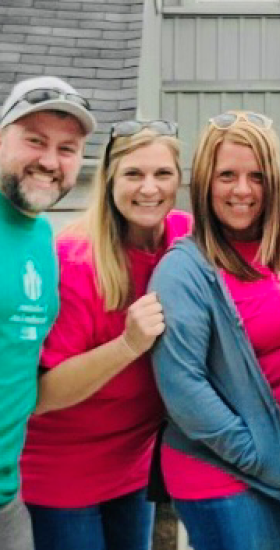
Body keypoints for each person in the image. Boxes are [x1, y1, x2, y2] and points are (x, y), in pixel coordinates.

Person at [149, 110, 280, 550]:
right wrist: (266, 459)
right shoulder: (184, 272)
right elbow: (184, 392)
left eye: (257, 176)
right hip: (227, 472)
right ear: (205, 181)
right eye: (227, 175)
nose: (243, 191)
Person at [19, 120, 193, 550]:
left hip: (131, 467)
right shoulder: (76, 261)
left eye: (162, 174)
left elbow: (248, 230)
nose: (149, 188)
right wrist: (128, 345)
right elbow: (42, 394)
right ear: (110, 180)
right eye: (133, 174)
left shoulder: (185, 237)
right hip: (60, 477)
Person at [0, 76, 95, 550]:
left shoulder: (41, 240)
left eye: (67, 148)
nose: (49, 161)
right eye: (34, 140)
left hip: (7, 499)